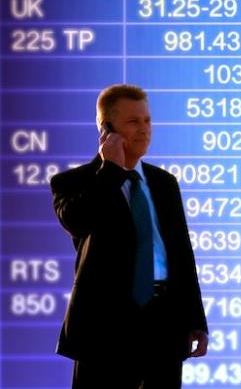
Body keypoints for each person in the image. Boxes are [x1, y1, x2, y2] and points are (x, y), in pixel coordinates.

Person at [50, 84, 208, 388]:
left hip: (164, 321)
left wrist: (196, 320)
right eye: (133, 122)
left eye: (147, 120)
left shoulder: (165, 183)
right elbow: (77, 221)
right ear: (106, 128)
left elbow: (181, 254)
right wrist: (110, 169)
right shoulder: (74, 182)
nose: (144, 130)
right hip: (105, 327)